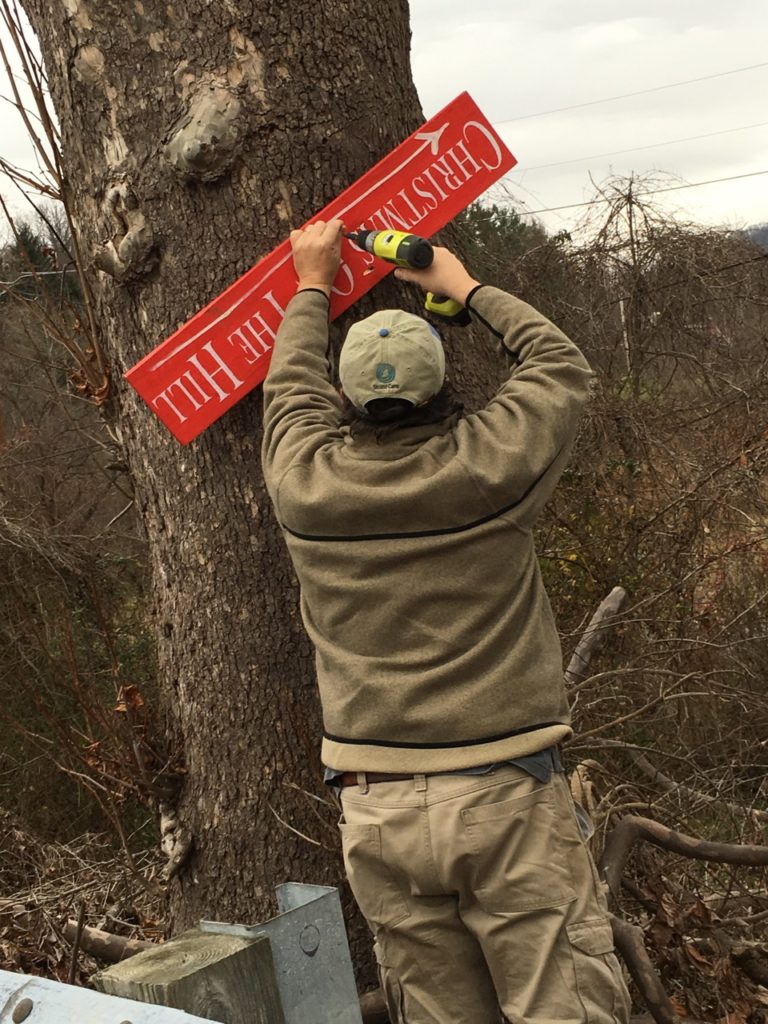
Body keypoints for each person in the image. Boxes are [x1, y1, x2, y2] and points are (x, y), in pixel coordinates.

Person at [261, 219, 631, 1024]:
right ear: (444, 390)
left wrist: (312, 283)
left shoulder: (306, 488)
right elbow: (560, 367)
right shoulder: (489, 470)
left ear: (345, 401)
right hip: (507, 799)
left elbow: (288, 389)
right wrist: (464, 287)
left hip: (378, 811)